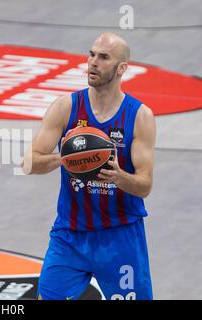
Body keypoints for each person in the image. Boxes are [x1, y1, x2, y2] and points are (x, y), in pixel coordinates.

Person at [22, 32, 156, 300]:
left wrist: (119, 177)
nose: (93, 62)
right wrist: (66, 158)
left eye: (103, 57)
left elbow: (144, 186)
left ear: (121, 69)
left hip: (120, 236)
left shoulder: (140, 116)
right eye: (91, 54)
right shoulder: (66, 107)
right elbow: (29, 163)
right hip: (71, 234)